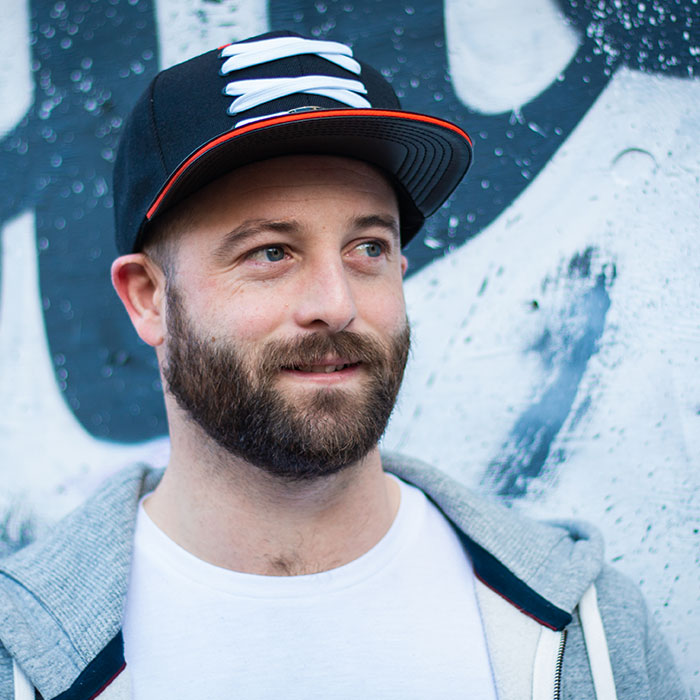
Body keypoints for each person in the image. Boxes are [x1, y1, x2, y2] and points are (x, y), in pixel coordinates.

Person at [0, 30, 685, 700]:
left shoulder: (589, 633)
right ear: (149, 299)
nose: (336, 304)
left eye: (367, 248)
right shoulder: (21, 660)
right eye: (271, 252)